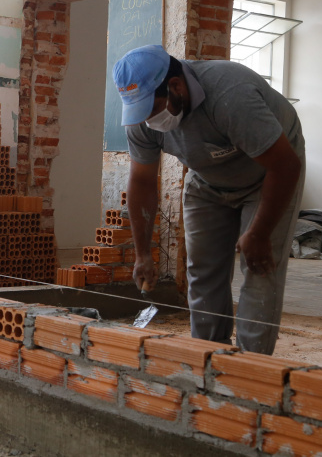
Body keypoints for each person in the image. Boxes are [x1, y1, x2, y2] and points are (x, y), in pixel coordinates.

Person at [113, 44, 304, 355]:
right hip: (206, 179)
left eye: (151, 107)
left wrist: (259, 232)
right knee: (202, 271)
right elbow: (142, 182)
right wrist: (142, 253)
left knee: (259, 268)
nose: (147, 119)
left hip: (268, 176)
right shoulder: (141, 120)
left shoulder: (231, 94)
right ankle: (210, 359)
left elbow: (285, 165)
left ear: (176, 86)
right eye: (139, 111)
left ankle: (250, 370)